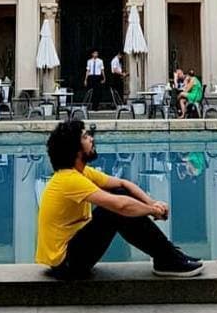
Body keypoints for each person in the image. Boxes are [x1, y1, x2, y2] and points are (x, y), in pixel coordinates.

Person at [36, 119, 203, 279]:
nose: (92, 139)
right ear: (75, 149)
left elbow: (123, 183)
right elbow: (120, 206)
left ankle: (169, 255)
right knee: (112, 211)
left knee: (119, 192)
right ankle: (167, 259)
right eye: (86, 137)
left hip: (72, 255)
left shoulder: (82, 172)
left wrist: (151, 203)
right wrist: (152, 211)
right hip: (65, 265)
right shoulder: (68, 179)